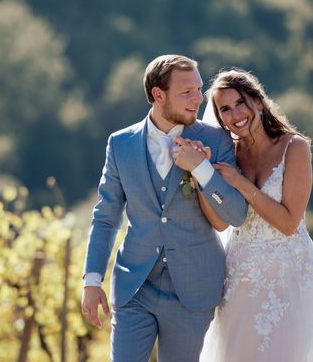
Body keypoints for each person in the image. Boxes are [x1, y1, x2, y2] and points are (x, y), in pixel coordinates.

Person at [81, 55, 248, 362]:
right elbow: (105, 218)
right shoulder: (121, 144)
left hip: (193, 290)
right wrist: (92, 280)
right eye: (187, 92)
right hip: (135, 286)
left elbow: (235, 214)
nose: (199, 99)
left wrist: (202, 169)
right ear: (159, 95)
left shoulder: (217, 140)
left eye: (199, 89)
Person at [195, 68, 313, 361]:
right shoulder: (228, 154)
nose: (235, 114)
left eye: (240, 102)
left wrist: (239, 183)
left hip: (288, 277)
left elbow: (289, 223)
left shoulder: (295, 148)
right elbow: (219, 222)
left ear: (258, 101)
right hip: (239, 279)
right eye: (224, 109)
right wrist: (200, 175)